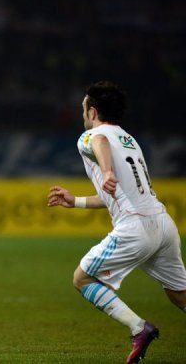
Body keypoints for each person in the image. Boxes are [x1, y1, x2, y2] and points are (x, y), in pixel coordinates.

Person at [47, 81, 186, 363]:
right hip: (163, 225)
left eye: (83, 108)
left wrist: (107, 171)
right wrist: (76, 202)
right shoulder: (129, 139)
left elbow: (98, 142)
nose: (82, 113)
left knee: (83, 279)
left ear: (93, 111)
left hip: (136, 229)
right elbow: (113, 194)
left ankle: (139, 328)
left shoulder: (91, 136)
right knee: (179, 294)